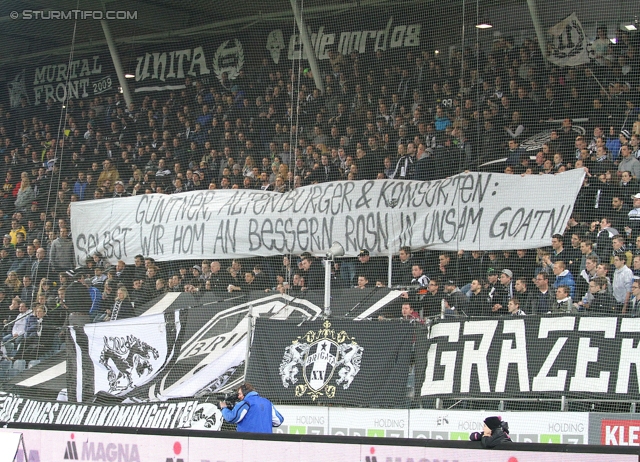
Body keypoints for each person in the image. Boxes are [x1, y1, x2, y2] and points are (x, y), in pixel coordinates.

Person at [219, 382, 284, 433]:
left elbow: (232, 418)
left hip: (248, 441)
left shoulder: (246, 402)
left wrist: (224, 408)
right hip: (267, 441)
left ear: (245, 392)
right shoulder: (267, 402)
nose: (238, 397)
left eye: (239, 394)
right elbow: (279, 420)